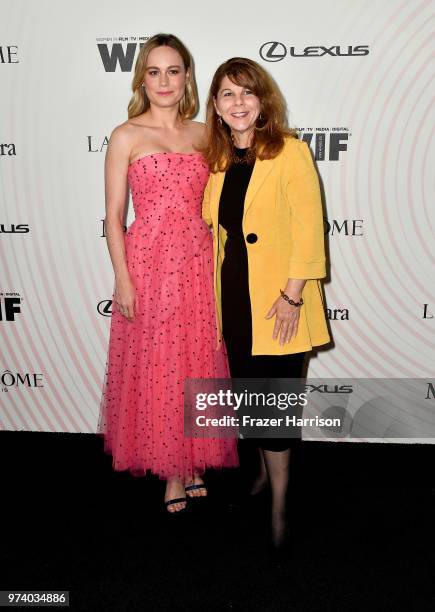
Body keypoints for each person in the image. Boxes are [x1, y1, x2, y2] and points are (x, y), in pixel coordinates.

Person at [98, 34, 238, 513]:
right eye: (154, 71)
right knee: (159, 365)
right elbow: (113, 216)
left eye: (173, 70)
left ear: (187, 77)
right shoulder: (126, 135)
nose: (164, 80)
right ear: (142, 78)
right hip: (148, 263)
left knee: (198, 360)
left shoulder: (204, 133)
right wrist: (122, 279)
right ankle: (172, 472)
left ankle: (195, 459)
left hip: (199, 263)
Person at [201, 57, 330, 546]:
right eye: (228, 94)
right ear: (215, 105)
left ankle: (280, 501)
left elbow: (308, 230)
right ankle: (258, 476)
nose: (238, 103)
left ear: (263, 101)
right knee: (248, 401)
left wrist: (293, 296)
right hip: (233, 298)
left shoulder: (290, 152)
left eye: (246, 93)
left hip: (279, 300)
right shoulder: (215, 160)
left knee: (274, 408)